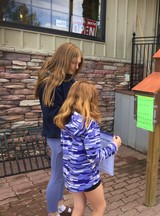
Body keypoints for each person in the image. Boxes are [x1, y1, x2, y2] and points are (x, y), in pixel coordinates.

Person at [54, 81, 122, 216]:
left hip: (71, 174)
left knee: (78, 208)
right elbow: (94, 156)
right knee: (99, 208)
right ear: (90, 99)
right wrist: (114, 146)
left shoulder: (65, 119)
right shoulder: (89, 124)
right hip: (87, 176)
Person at [34, 42, 83, 216]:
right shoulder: (50, 83)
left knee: (62, 174)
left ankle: (60, 206)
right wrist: (77, 112)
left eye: (78, 63)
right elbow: (52, 114)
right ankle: (52, 212)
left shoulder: (69, 79)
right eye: (73, 63)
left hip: (67, 135)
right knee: (57, 176)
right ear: (64, 60)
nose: (76, 67)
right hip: (57, 136)